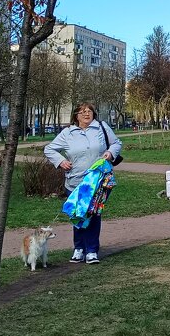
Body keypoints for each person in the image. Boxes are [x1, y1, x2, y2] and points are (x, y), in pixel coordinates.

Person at [44, 102, 122, 264]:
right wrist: (61, 161)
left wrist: (109, 152)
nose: (86, 114)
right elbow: (49, 149)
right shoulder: (68, 133)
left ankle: (92, 250)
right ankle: (79, 248)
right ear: (76, 116)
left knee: (93, 214)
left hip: (99, 182)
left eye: (89, 111)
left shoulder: (101, 127)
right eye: (82, 112)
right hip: (75, 182)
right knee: (77, 214)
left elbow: (116, 143)